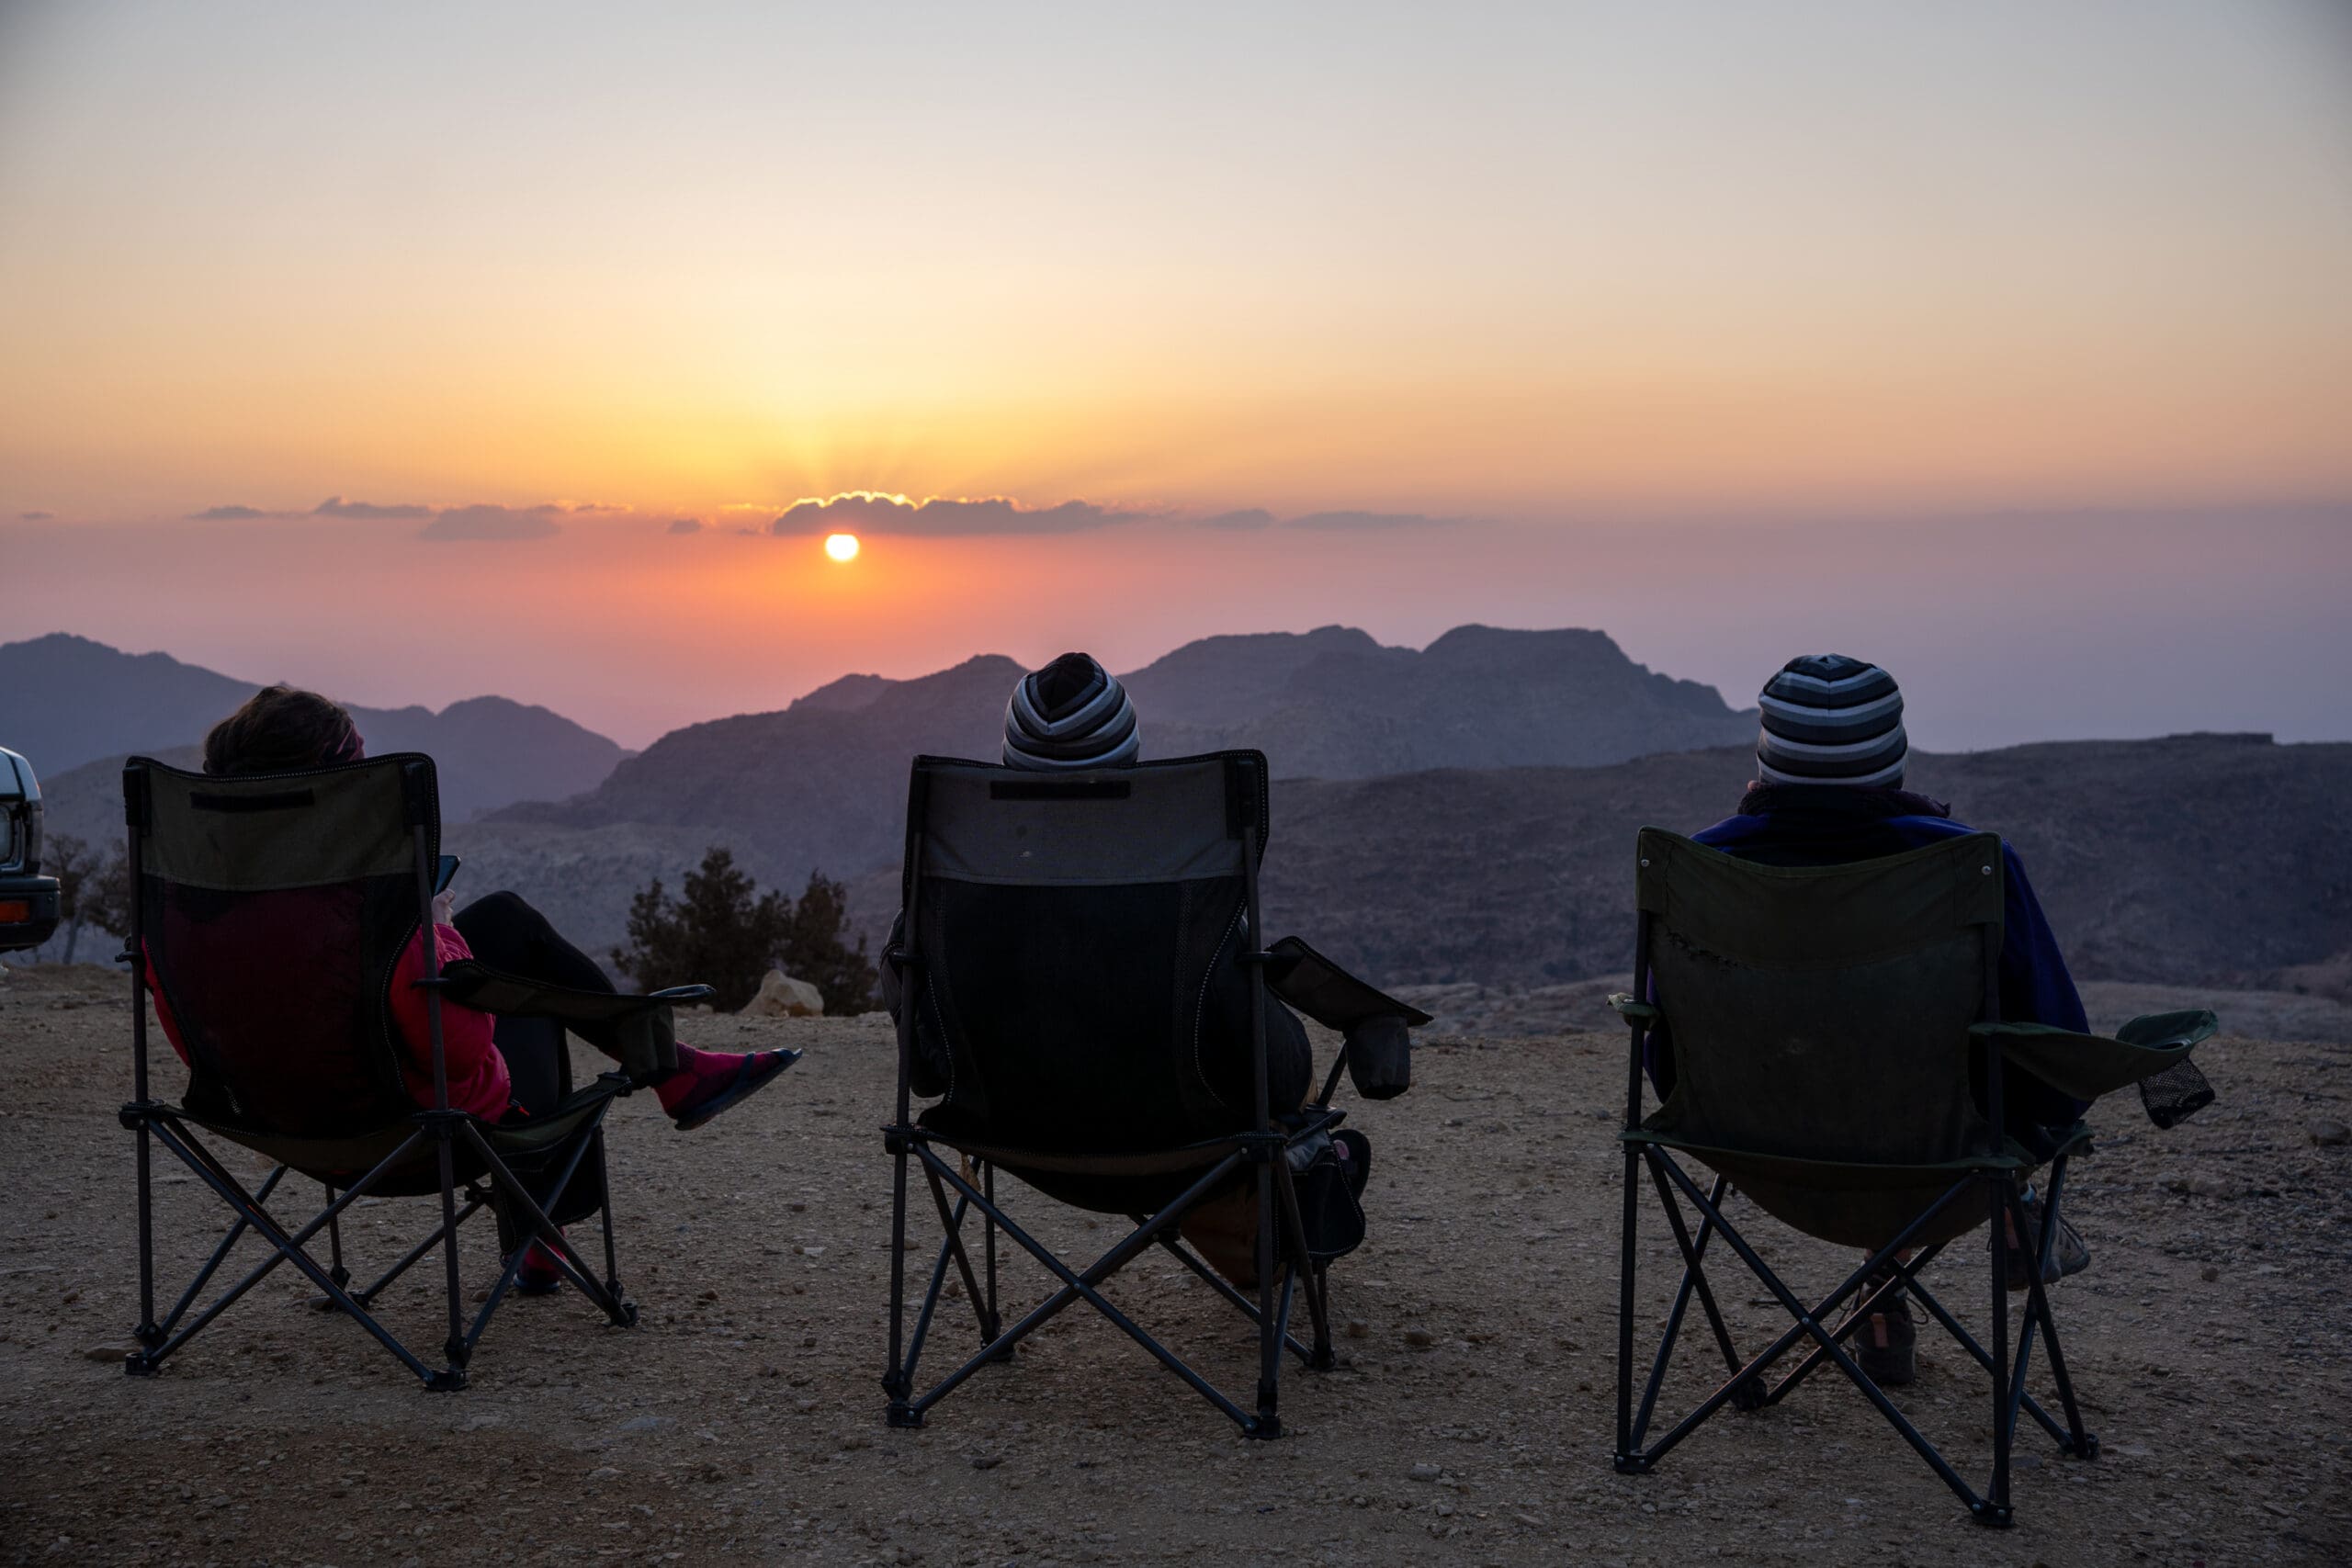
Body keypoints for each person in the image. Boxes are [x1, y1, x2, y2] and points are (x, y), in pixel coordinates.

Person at [149, 685, 798, 1291]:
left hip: (264, 1117)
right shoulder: (364, 920)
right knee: (520, 986)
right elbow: (458, 1050)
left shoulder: (182, 910)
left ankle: (671, 1071)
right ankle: (557, 1204)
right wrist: (437, 934)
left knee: (506, 922)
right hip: (400, 1130)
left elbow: (193, 1030)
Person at [1655, 654, 2090, 1385]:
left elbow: (1664, 1054)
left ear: (1770, 757)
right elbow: (2059, 1046)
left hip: (1753, 1149)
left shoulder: (1701, 865)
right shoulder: (1971, 864)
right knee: (1980, 1084)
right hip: (1941, 1162)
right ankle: (1996, 1220)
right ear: (1891, 758)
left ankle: (1886, 1302)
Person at [881, 652, 1365, 1274]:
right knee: (1276, 1097)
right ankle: (1283, 1207)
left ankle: (1272, 1216)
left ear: (1010, 764)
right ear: (1129, 759)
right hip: (1181, 1152)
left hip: (1008, 1141)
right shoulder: (1183, 902)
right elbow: (1272, 1068)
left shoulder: (949, 904)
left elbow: (923, 1073)